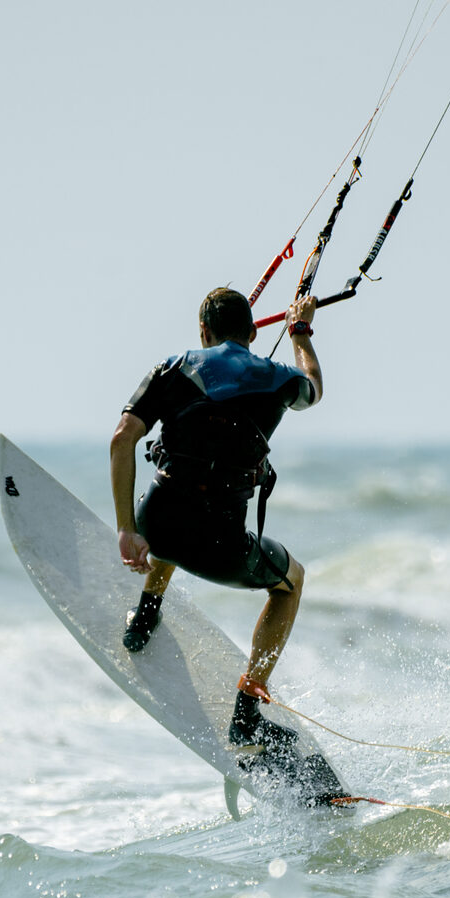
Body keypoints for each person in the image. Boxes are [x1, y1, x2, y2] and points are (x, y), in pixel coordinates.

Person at [109, 287, 339, 798]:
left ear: (203, 333)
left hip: (157, 531)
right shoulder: (278, 379)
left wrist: (127, 529)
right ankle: (248, 710)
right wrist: (301, 331)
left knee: (173, 496)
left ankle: (145, 611)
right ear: (255, 332)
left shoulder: (174, 367)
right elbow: (315, 388)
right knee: (291, 581)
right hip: (220, 547)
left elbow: (123, 436)